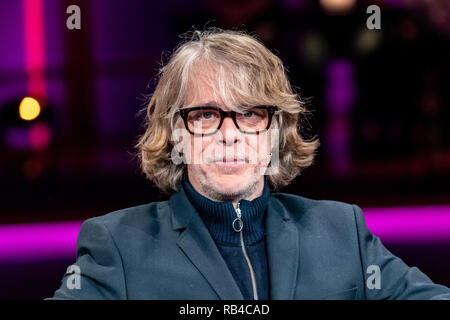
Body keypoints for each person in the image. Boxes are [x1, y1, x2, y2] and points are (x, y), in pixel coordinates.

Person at [48, 28, 450, 300]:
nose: (230, 134)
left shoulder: (342, 231)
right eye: (205, 115)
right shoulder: (118, 245)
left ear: (275, 132)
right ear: (176, 134)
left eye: (250, 114)